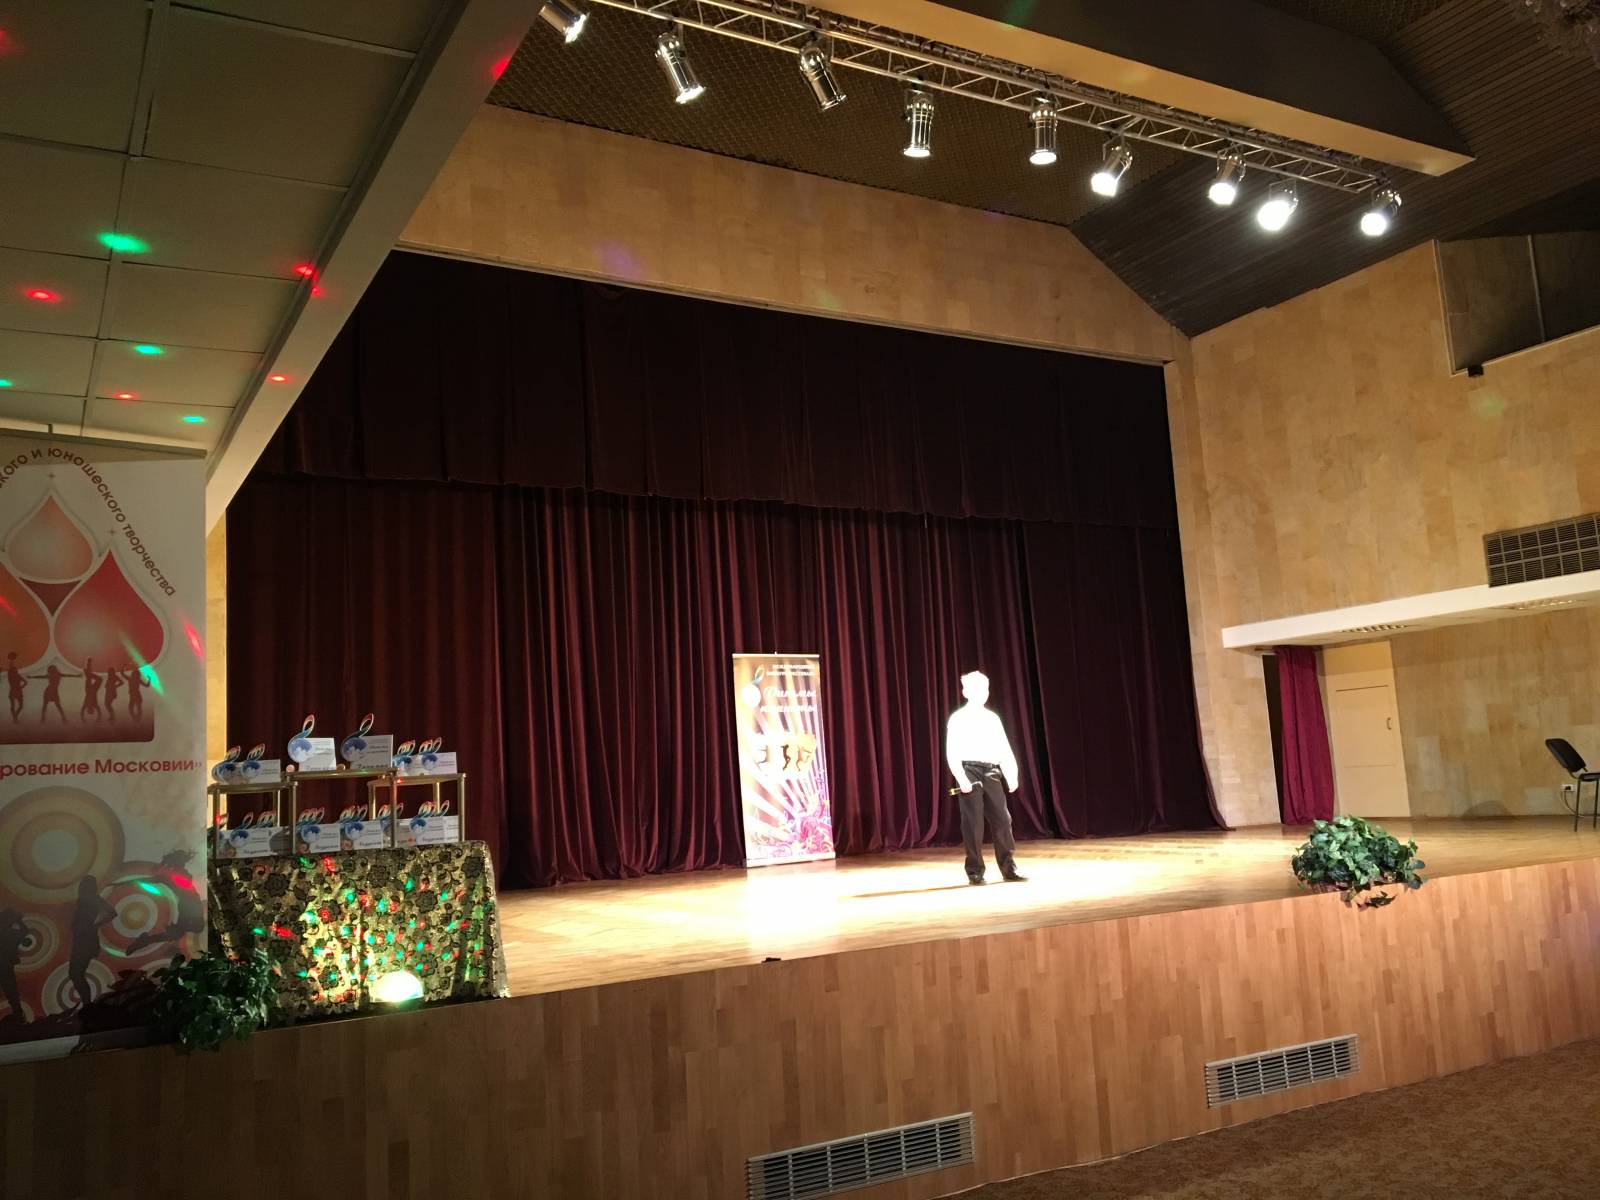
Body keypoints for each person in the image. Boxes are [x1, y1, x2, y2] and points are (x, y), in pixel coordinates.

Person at [945, 670, 1025, 886]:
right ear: (965, 692)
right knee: (973, 823)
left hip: (991, 771)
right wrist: (961, 777)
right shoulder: (958, 718)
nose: (982, 692)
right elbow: (952, 750)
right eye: (977, 689)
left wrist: (1011, 773)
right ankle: (975, 870)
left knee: (1002, 820)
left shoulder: (992, 718)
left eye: (985, 688)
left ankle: (1008, 866)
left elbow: (1003, 747)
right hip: (969, 770)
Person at [5, 652, 25, 724]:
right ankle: (15, 718)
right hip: (15, 691)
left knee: (17, 706)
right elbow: (10, 668)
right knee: (14, 706)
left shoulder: (15, 676)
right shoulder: (13, 675)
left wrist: (21, 687)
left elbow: (25, 682)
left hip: (15, 691)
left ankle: (15, 717)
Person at [80, 657, 102, 722]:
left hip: (89, 690)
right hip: (93, 690)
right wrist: (98, 719)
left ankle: (88, 668)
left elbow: (82, 711)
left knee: (90, 677)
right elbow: (99, 713)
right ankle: (88, 671)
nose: (90, 708)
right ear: (92, 709)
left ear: (88, 709)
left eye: (90, 710)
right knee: (98, 679)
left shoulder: (86, 704)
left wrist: (83, 719)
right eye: (91, 709)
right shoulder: (94, 704)